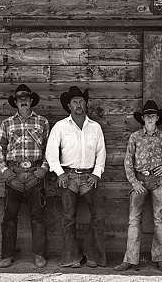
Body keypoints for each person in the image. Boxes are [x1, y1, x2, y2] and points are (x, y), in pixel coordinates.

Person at [113, 100, 162, 273]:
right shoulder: (135, 137)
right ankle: (131, 259)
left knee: (159, 220)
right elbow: (128, 161)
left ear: (157, 118)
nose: (150, 118)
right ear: (143, 118)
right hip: (140, 182)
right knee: (134, 220)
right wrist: (134, 182)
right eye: (147, 116)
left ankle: (161, 258)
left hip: (158, 183)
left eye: (153, 116)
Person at [45, 86, 106, 268]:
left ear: (85, 104)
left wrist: (96, 173)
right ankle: (71, 257)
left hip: (89, 177)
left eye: (81, 101)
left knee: (99, 215)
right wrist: (59, 172)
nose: (78, 105)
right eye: (74, 102)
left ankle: (92, 255)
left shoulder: (95, 127)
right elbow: (51, 153)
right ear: (69, 106)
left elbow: (101, 152)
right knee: (68, 218)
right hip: (68, 177)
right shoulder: (61, 127)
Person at [0, 84, 49, 268]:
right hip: (14, 175)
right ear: (16, 103)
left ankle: (39, 255)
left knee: (39, 217)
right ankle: (7, 255)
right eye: (20, 99)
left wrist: (44, 168)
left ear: (31, 100)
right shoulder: (7, 124)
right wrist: (4, 171)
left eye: (26, 98)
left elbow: (50, 148)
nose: (23, 101)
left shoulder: (42, 122)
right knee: (9, 217)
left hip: (35, 174)